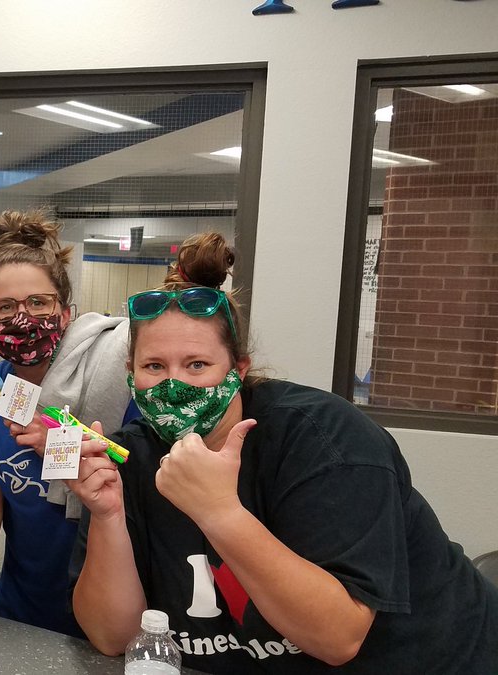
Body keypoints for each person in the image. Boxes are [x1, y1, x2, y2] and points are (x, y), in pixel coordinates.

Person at [69, 232, 498, 673]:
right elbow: (113, 637)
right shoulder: (130, 455)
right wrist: (107, 517)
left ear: (238, 370)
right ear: (130, 374)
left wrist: (219, 512)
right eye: (154, 366)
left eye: (197, 365)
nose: (174, 385)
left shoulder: (325, 440)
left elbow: (337, 637)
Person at [0, 210, 130, 637]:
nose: (23, 317)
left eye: (38, 303)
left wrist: (63, 444)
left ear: (66, 314)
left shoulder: (114, 376)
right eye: (5, 307)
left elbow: (135, 472)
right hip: (20, 611)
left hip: (112, 613)